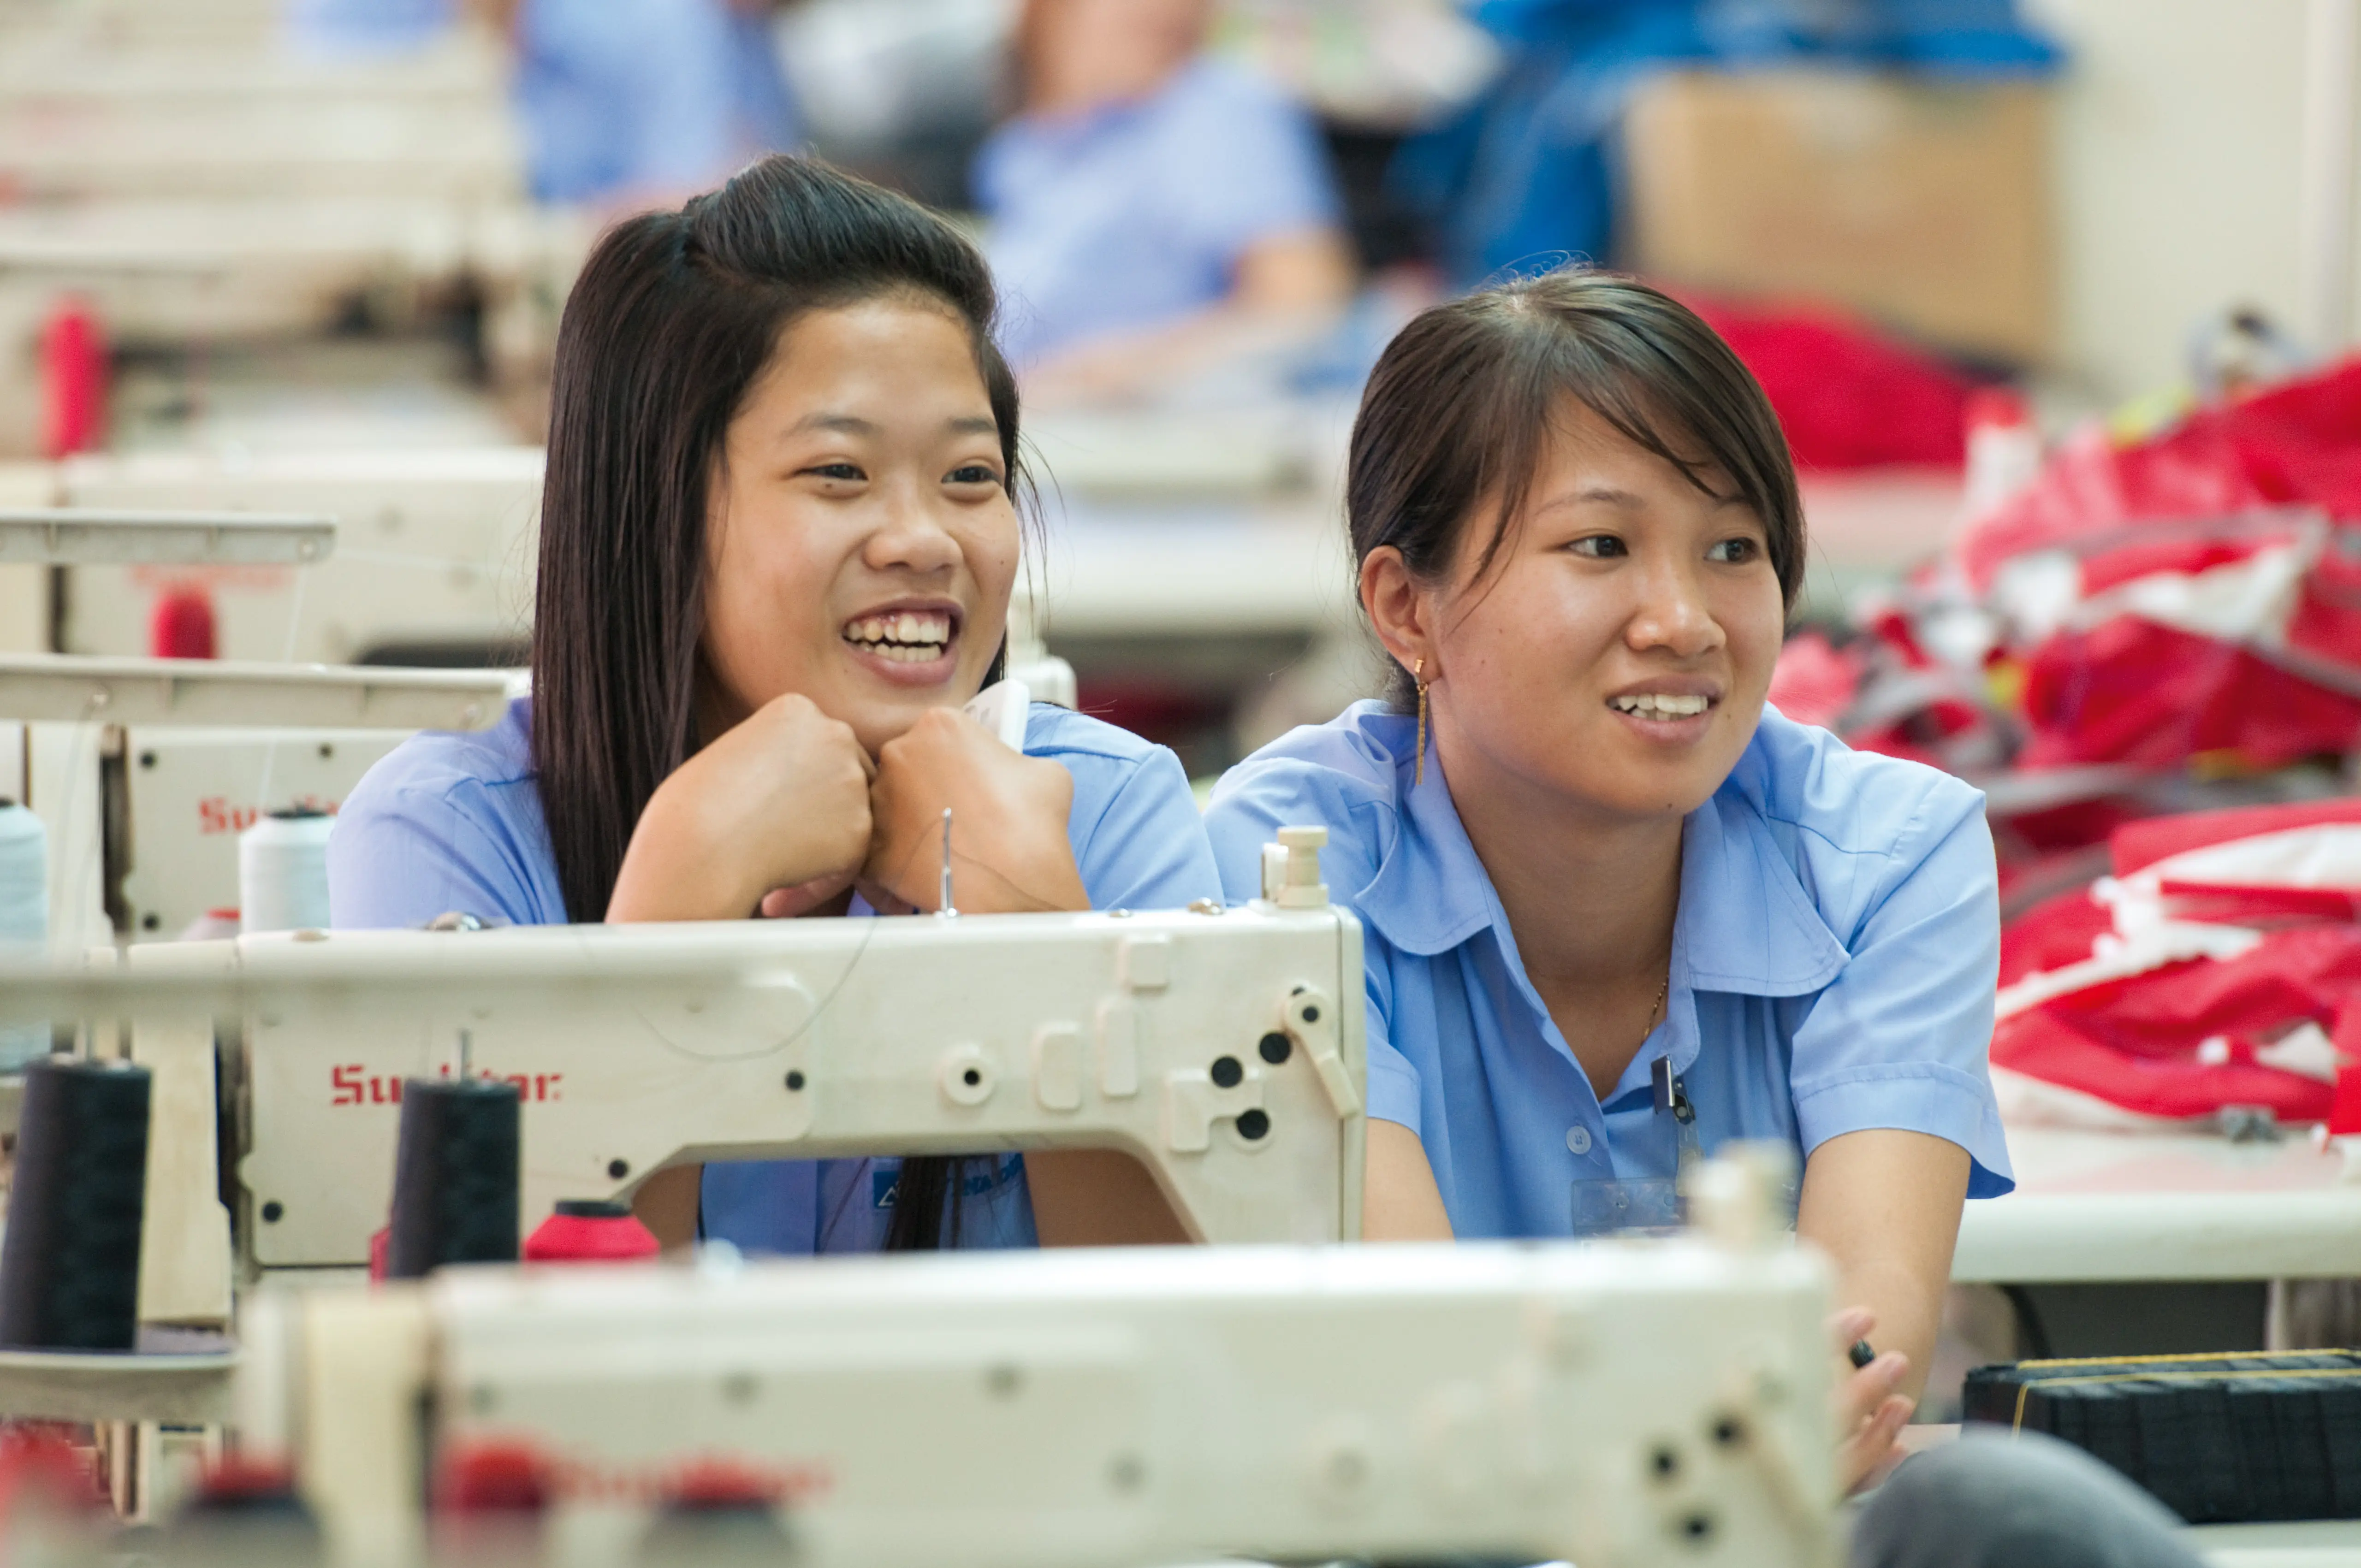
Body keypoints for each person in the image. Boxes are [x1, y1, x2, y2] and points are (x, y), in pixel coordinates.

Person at [1202, 270, 2013, 1493]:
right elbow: (1407, 1349)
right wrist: (1711, 1425)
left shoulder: (1893, 857)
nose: (1685, 620)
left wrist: (1629, 1431)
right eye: (1601, 546)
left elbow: (1856, 1341)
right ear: (1405, 608)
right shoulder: (1290, 863)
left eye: (1733, 548)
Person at [330, 154, 1213, 1253]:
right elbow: (515, 1344)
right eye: (838, 473)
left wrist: (1037, 930)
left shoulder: (1108, 811)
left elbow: (1183, 1334)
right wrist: (678, 896)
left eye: (969, 477)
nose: (924, 539)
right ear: (659, 510)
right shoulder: (449, 836)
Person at [973, 0, 1357, 401]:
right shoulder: (1028, 152)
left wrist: (1100, 377)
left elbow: (1305, 307)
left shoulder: (1221, 110)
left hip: (1147, 426)